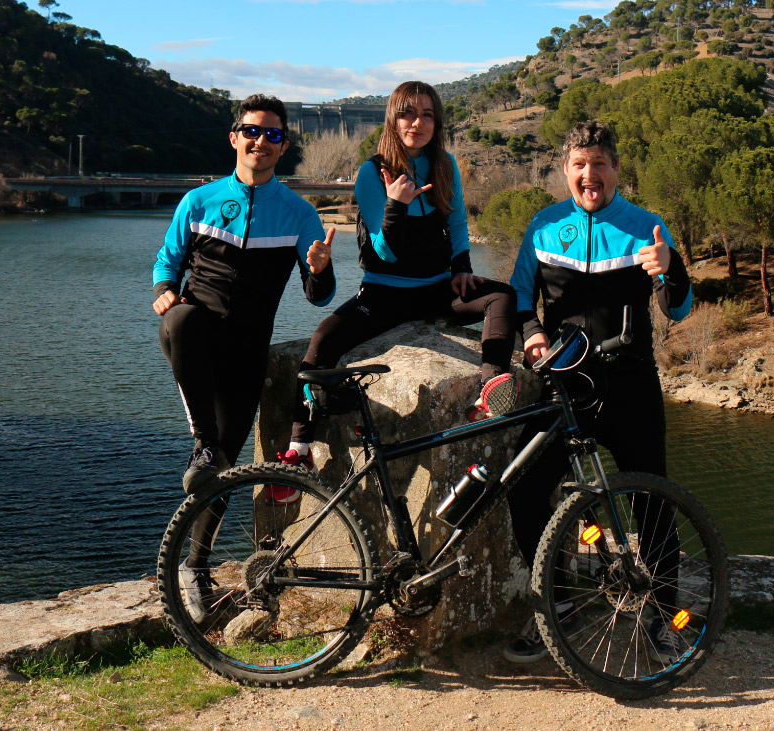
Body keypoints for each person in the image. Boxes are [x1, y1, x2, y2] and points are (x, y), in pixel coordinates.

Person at [502, 121, 693, 664]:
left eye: (600, 164)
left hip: (629, 384)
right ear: (566, 171)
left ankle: (667, 619)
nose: (590, 175)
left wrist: (671, 269)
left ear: (615, 170)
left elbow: (678, 307)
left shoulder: (646, 228)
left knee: (651, 504)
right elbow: (521, 294)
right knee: (525, 490)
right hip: (562, 385)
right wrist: (532, 331)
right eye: (580, 165)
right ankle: (558, 607)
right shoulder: (543, 227)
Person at [280, 81, 517, 469]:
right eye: (408, 113)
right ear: (393, 119)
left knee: (502, 295)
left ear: (436, 122)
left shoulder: (444, 164)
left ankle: (490, 384)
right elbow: (384, 253)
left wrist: (461, 268)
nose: (417, 123)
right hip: (384, 294)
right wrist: (395, 205)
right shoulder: (372, 172)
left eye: (427, 115)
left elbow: (457, 220)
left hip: (439, 288)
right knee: (322, 340)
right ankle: (299, 451)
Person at [152, 93, 336, 495]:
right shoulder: (198, 201)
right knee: (181, 317)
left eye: (272, 134)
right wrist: (165, 290)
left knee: (223, 470)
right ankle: (205, 443)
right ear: (234, 138)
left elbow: (319, 297)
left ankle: (196, 560)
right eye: (251, 131)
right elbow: (168, 261)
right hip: (194, 338)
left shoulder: (299, 213)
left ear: (283, 147)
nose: (261, 141)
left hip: (247, 351)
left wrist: (321, 269)